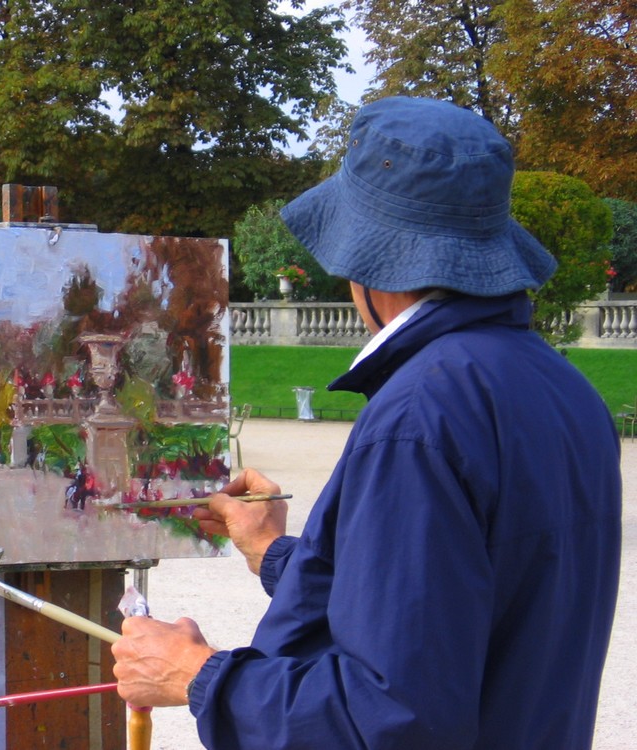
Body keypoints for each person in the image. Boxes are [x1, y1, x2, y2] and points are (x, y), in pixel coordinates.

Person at [111, 97, 622, 748]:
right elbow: (444, 599)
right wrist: (272, 552)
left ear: (372, 265)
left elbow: (390, 719)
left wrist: (199, 676)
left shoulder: (421, 414)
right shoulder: (565, 389)